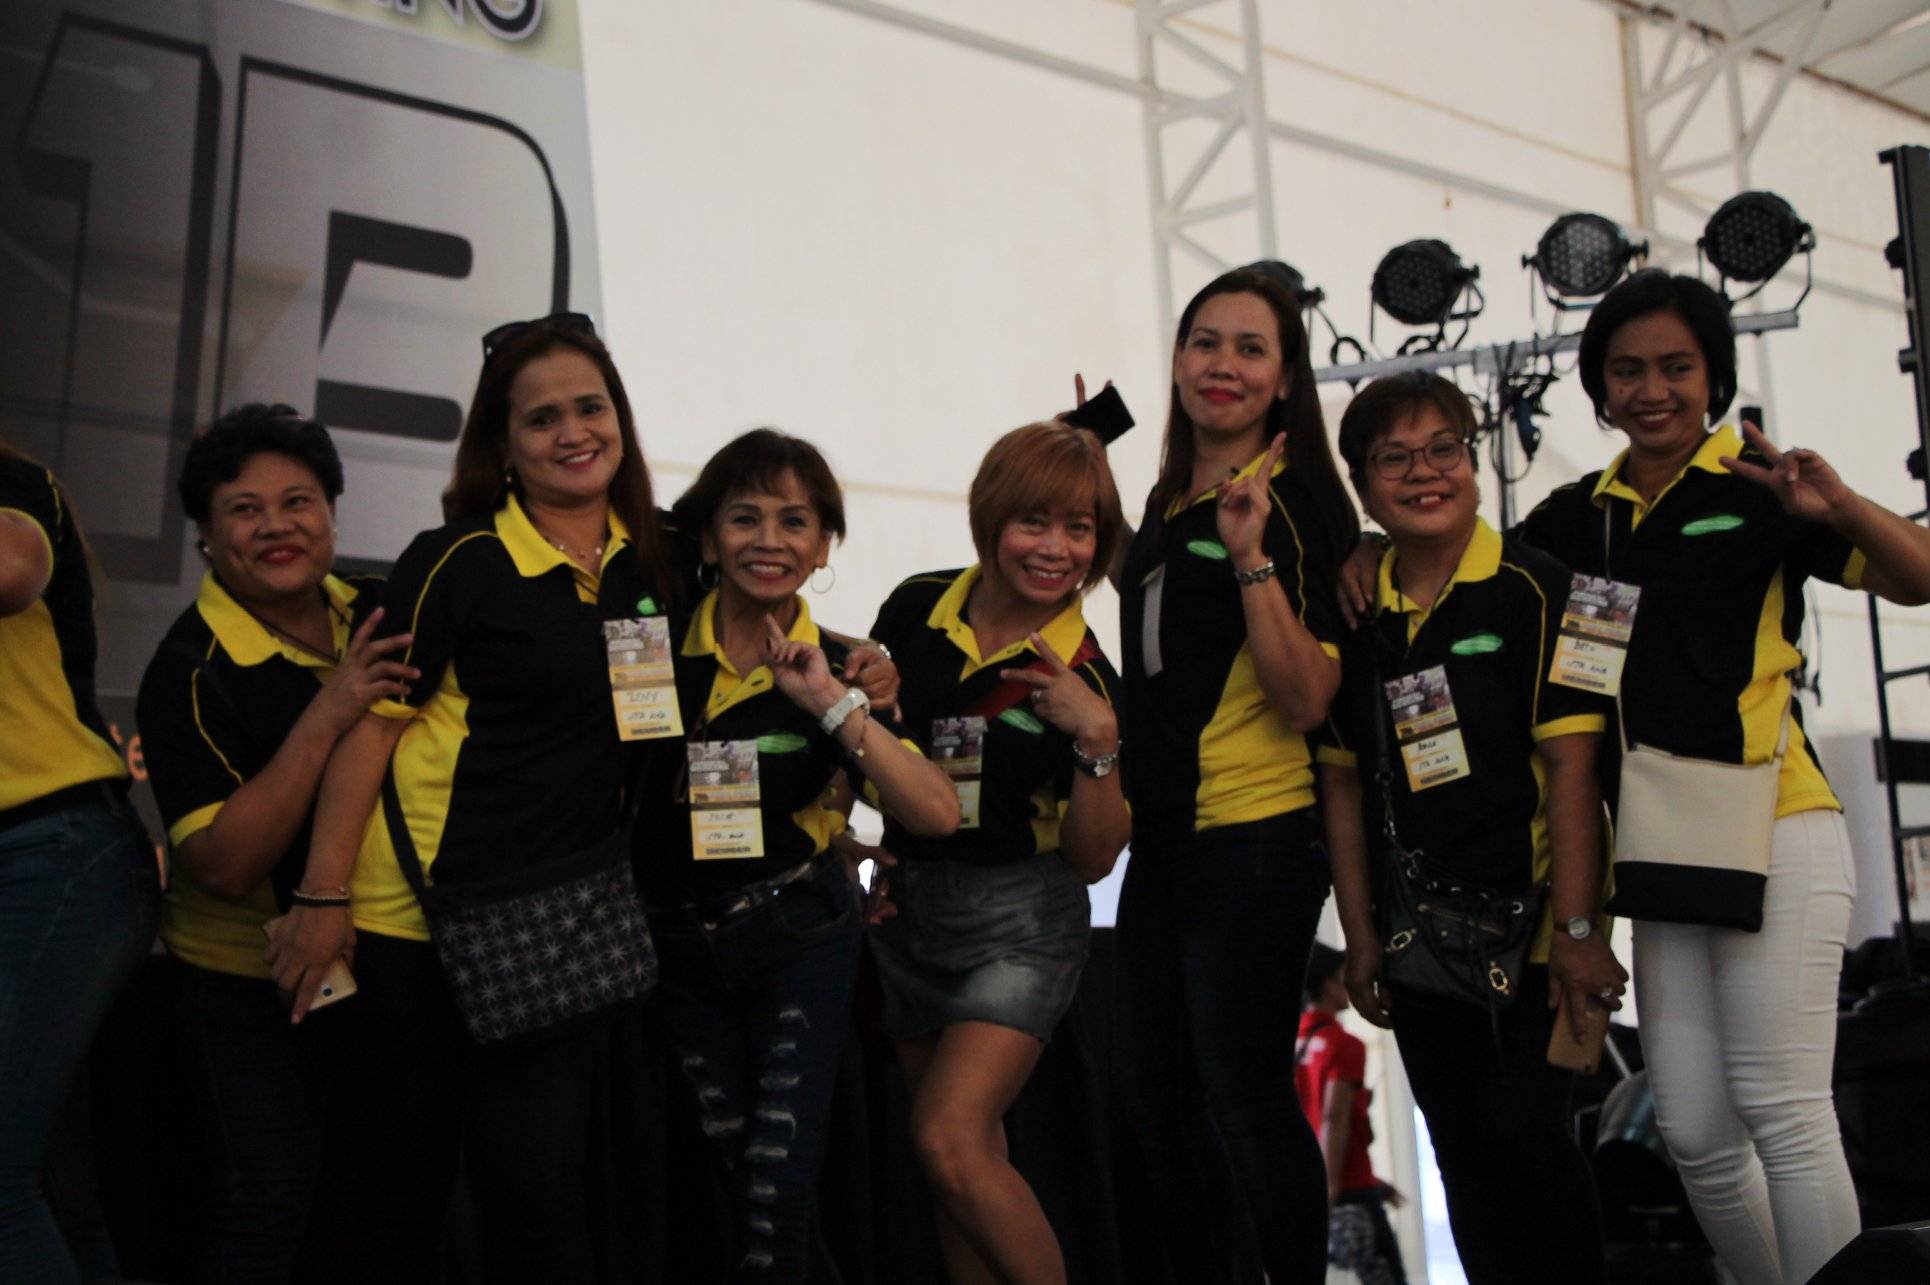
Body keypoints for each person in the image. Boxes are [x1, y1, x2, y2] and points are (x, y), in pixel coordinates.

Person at [1338, 270, 1930, 1282]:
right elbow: (1456, 549)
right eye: (1627, 371)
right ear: (1599, 389)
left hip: (1774, 818)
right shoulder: (1575, 520)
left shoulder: (1762, 491)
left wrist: (1837, 503)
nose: (1652, 390)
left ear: (1713, 378)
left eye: (1675, 367)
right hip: (1653, 841)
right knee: (1693, 1132)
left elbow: (1918, 579)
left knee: (1782, 1107)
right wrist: (1365, 547)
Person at [267, 313, 680, 1281]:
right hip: (413, 923)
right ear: (503, 447)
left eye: (590, 408)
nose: (572, 432)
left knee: (538, 1200)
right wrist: (323, 895)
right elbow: (371, 729)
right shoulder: (456, 559)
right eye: (541, 418)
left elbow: (760, 583)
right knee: (392, 1199)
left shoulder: (657, 560)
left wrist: (858, 666)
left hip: (554, 927)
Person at [1320, 371, 1622, 1284]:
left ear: (1475, 457)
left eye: (1442, 448)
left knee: (1535, 1148)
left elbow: (1578, 772)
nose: (1424, 473)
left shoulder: (1561, 592)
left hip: (1540, 936)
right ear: (1363, 486)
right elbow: (1341, 785)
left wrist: (1580, 932)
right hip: (1416, 942)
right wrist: (1360, 936)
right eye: (1395, 458)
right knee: (1463, 1161)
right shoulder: (1348, 612)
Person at [638, 428, 957, 1280]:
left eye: (795, 521)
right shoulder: (650, 645)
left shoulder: (846, 665)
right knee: (737, 1183)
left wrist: (831, 702)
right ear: (709, 538)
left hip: (798, 937)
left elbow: (933, 810)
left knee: (776, 1184)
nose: (769, 541)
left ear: (823, 547)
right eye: (744, 518)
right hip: (675, 948)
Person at [1110, 264, 1358, 1282]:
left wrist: (1251, 557)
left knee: (1242, 1097)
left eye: (1251, 348)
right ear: (1175, 361)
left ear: (1285, 378)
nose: (1223, 364)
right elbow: (1154, 606)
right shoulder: (1171, 497)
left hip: (1254, 834)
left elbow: (1307, 697)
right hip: (1166, 838)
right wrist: (1083, 458)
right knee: (1158, 1101)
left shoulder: (1290, 502)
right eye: (1205, 342)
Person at [136, 404, 416, 1281]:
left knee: (369, 1205)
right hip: (243, 982)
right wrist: (330, 710)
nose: (277, 526)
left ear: (331, 511)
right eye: (244, 510)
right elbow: (223, 864)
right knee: (267, 1203)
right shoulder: (187, 668)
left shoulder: (379, 609)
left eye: (297, 502)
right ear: (205, 535)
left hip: (377, 956)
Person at [862, 422, 1130, 1284]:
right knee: (959, 1167)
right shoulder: (915, 606)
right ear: (991, 519)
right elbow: (871, 745)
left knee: (947, 1136)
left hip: (1021, 923)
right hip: (907, 907)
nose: (1055, 548)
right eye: (1033, 522)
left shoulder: (1090, 673)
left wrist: (1098, 740)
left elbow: (1094, 859)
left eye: (1079, 528)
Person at [0, 442, 161, 1282]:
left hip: (53, 847)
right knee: (53, 1189)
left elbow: (12, 571)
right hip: (37, 859)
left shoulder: (13, 481)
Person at [1295, 943, 1406, 1285]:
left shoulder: (1297, 1042)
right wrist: (1331, 1190)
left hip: (1309, 1184)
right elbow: (1334, 1117)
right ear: (1330, 985)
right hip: (1347, 1190)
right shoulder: (1344, 1044)